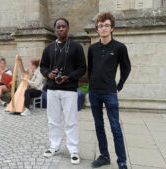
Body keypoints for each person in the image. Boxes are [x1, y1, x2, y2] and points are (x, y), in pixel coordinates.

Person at [40, 18, 87, 165]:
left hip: (69, 90)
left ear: (68, 28)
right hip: (52, 90)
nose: (61, 29)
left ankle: (73, 150)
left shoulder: (76, 47)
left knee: (71, 121)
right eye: (58, 27)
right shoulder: (48, 48)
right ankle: (54, 146)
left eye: (63, 26)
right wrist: (49, 74)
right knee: (53, 120)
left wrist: (69, 77)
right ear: (55, 30)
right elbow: (43, 67)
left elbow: (82, 68)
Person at [88, 12, 131, 169]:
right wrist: (91, 86)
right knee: (99, 125)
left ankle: (122, 161)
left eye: (106, 25)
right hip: (94, 92)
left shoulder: (120, 47)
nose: (103, 28)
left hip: (110, 92)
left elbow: (126, 68)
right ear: (97, 29)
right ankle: (104, 156)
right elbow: (91, 69)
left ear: (112, 27)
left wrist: (118, 86)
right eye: (100, 26)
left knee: (115, 127)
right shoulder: (92, 49)